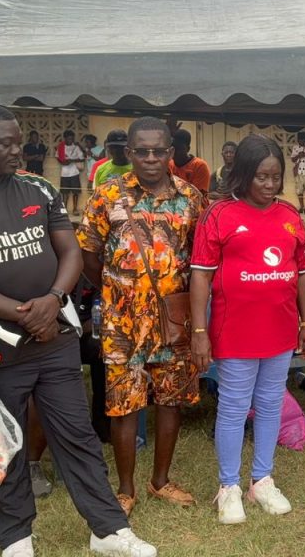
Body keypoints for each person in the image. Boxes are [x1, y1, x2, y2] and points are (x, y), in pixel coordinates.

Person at [0, 104, 155, 557]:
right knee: (6, 440)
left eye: (20, 141)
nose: (19, 151)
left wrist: (53, 301)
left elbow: (68, 251)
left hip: (55, 338)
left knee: (78, 434)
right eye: (6, 144)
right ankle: (16, 538)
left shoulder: (39, 187)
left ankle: (107, 529)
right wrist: (19, 311)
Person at [78, 116, 206, 515]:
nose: (150, 158)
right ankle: (127, 489)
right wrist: (120, 292)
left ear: (171, 152)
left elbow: (201, 258)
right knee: (124, 404)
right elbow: (88, 254)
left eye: (159, 151)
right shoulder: (106, 195)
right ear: (128, 152)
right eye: (142, 151)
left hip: (174, 321)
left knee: (172, 400)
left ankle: (160, 481)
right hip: (123, 323)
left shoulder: (190, 198)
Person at [189, 133, 305, 524]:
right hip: (235, 333)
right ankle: (229, 486)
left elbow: (303, 272)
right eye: (261, 176)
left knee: (270, 403)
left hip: (279, 332)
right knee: (233, 407)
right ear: (243, 175)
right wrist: (199, 331)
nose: (269, 185)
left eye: (276, 177)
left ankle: (261, 479)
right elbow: (200, 276)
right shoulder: (219, 215)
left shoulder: (290, 217)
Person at [169, 128, 211, 194]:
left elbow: (197, 196)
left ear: (188, 149)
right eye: (173, 148)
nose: (175, 152)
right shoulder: (168, 165)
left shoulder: (200, 166)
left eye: (179, 149)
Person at [57, 129, 86, 213]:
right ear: (65, 138)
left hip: (74, 173)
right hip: (64, 173)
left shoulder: (76, 147)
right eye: (69, 139)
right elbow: (58, 157)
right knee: (64, 192)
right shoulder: (61, 147)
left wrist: (72, 160)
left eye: (72, 139)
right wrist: (63, 162)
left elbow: (82, 158)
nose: (71, 140)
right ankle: (64, 209)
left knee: (75, 192)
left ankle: (75, 209)